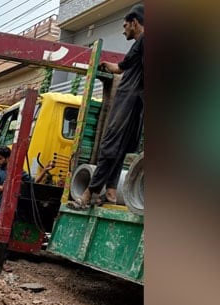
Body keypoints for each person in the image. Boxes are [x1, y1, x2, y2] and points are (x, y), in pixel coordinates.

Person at [70, 4, 144, 209]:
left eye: (125, 25)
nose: (123, 30)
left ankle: (87, 194)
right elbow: (123, 67)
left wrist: (111, 67)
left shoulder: (142, 41)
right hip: (136, 107)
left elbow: (121, 66)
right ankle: (111, 191)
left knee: (109, 147)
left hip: (127, 104)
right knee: (119, 149)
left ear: (135, 23)